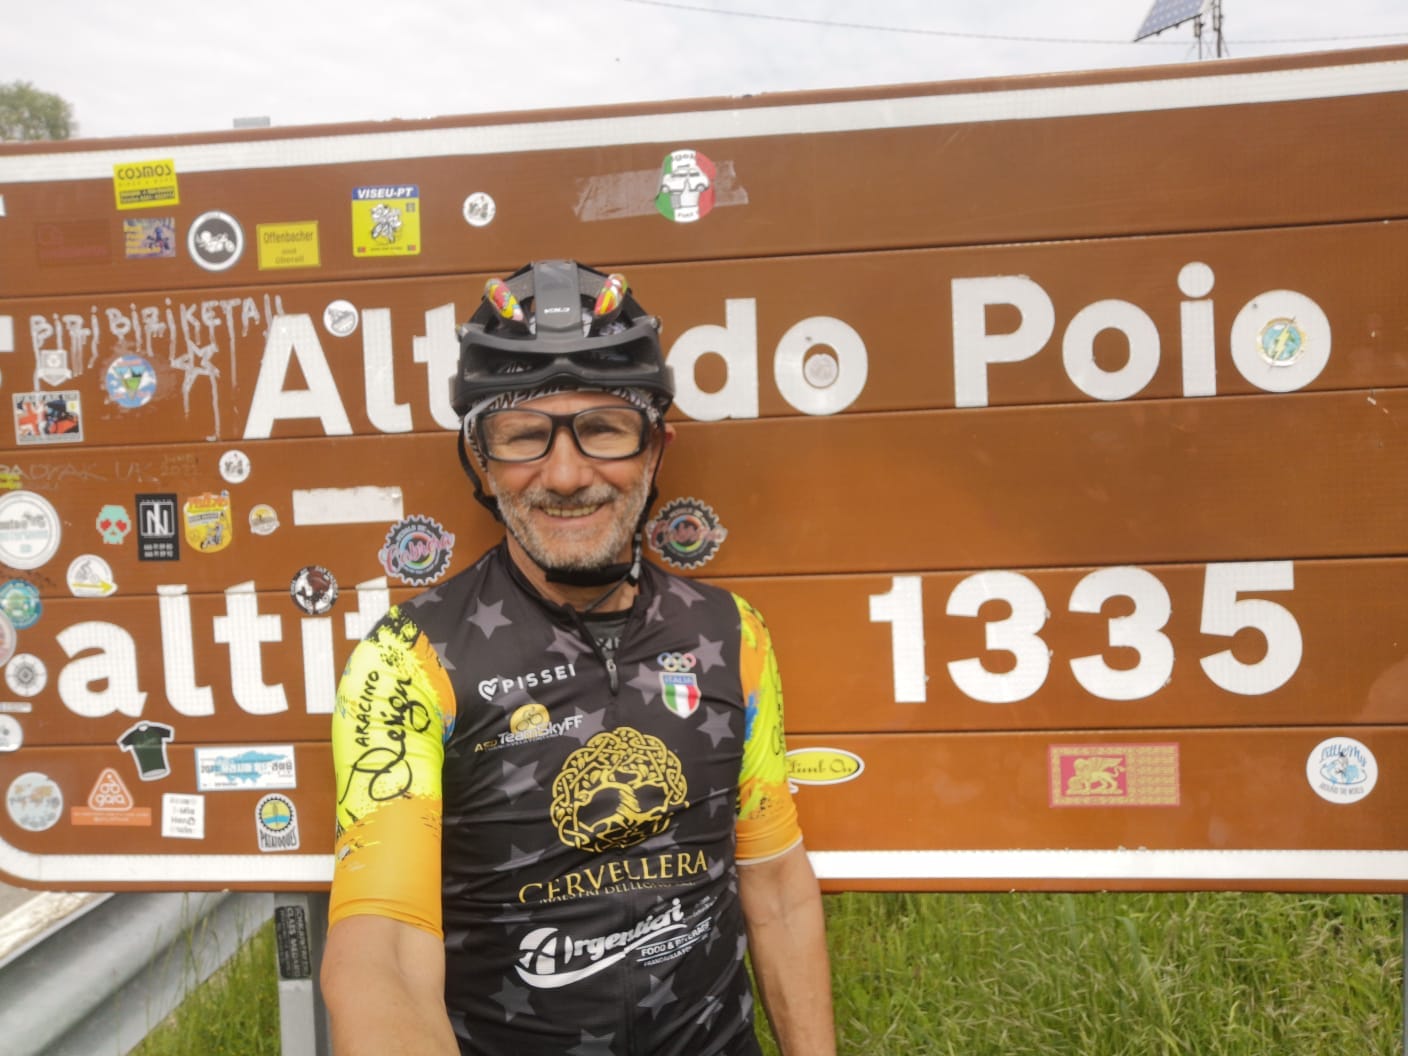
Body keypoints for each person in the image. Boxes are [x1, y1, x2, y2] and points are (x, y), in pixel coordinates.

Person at [321, 260, 836, 1055]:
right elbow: (380, 950)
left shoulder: (734, 635)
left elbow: (776, 889)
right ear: (480, 462)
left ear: (656, 448)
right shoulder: (408, 657)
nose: (565, 475)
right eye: (525, 435)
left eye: (603, 428)